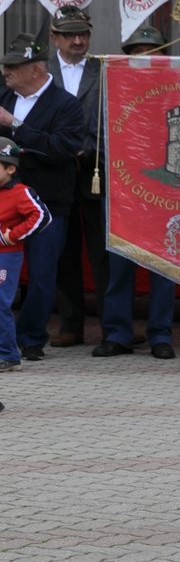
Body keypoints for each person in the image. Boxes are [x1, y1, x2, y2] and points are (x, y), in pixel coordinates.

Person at [0, 33, 85, 362]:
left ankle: (31, 337)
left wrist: (16, 126)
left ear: (35, 69)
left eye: (12, 66)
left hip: (47, 203)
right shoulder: (5, 96)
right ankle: (5, 336)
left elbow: (63, 149)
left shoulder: (66, 105)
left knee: (42, 273)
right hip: (6, 204)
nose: (6, 71)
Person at [46, 6, 104, 349]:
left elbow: (116, 114)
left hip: (96, 167)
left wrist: (89, 149)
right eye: (70, 35)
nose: (78, 40)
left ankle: (112, 323)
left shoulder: (103, 69)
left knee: (102, 250)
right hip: (56, 167)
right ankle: (71, 323)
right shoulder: (42, 70)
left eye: (82, 34)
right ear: (55, 37)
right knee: (62, 248)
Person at [0, 139, 50, 372]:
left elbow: (42, 216)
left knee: (0, 303)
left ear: (10, 168)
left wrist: (14, 236)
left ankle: (8, 354)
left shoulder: (21, 193)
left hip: (6, 257)